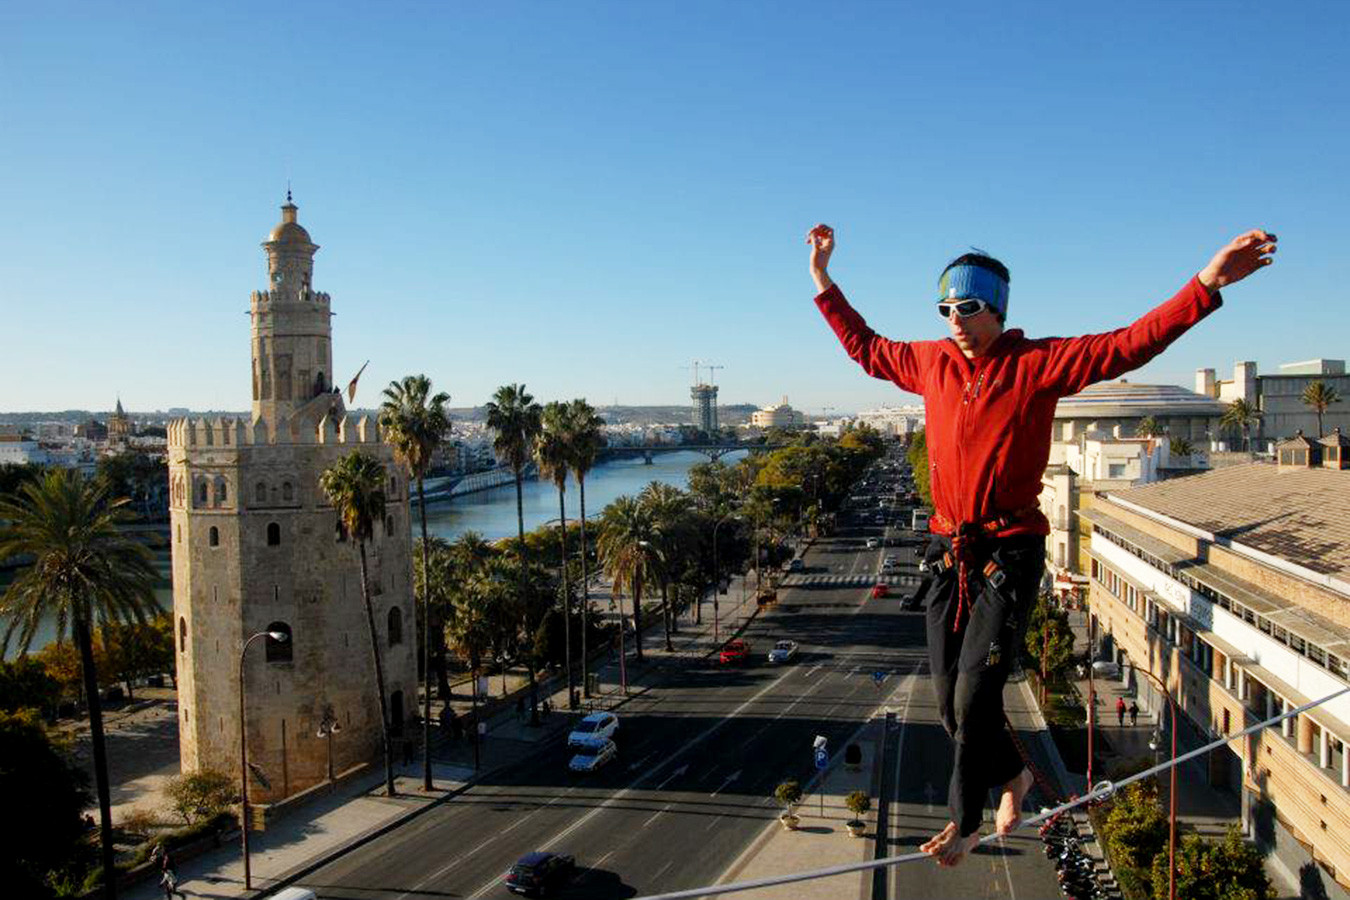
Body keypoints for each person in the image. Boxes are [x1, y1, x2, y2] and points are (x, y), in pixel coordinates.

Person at [807, 223, 1276, 867]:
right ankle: (1016, 777)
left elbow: (1127, 346)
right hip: (948, 551)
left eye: (967, 308)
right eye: (945, 310)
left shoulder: (1037, 364)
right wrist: (823, 280)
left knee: (975, 695)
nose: (955, 321)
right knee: (949, 702)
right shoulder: (927, 362)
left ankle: (965, 822)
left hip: (1009, 553)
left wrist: (1206, 284)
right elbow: (864, 347)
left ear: (998, 308)